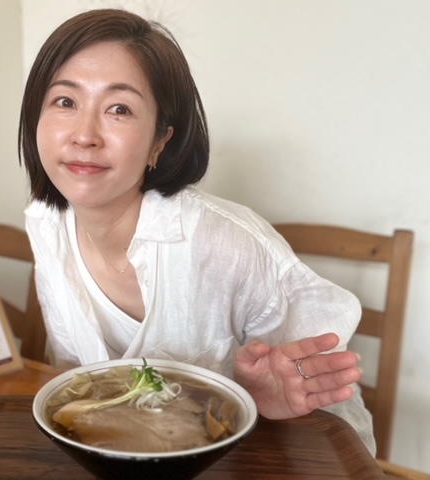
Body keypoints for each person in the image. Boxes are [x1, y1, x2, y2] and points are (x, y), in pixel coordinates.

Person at [18, 8, 375, 454]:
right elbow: (73, 378)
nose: (84, 135)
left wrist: (257, 402)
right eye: (65, 102)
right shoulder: (45, 225)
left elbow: (331, 415)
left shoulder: (226, 244)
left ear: (160, 141)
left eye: (119, 109)